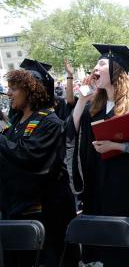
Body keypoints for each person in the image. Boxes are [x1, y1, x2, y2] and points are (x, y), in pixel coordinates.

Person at [66, 44, 129, 267]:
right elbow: (70, 130)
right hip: (99, 189)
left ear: (117, 70)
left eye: (101, 63)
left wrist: (118, 147)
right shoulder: (94, 107)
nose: (95, 68)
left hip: (128, 191)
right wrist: (82, 98)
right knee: (107, 251)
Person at [0, 65, 77, 267]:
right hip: (16, 207)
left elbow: (28, 156)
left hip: (45, 212)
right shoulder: (17, 121)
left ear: (29, 91)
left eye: (13, 88)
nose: (8, 93)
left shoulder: (49, 122)